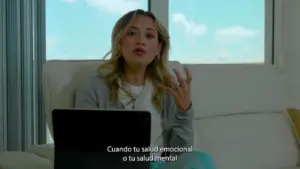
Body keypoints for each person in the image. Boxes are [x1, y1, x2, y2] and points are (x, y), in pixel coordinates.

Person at [75, 9, 215, 169]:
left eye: (149, 36)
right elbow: (82, 150)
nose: (140, 41)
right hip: (114, 166)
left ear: (158, 48)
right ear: (119, 43)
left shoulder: (167, 91)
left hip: (159, 166)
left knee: (200, 159)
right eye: (132, 33)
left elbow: (180, 155)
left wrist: (184, 111)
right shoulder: (94, 87)